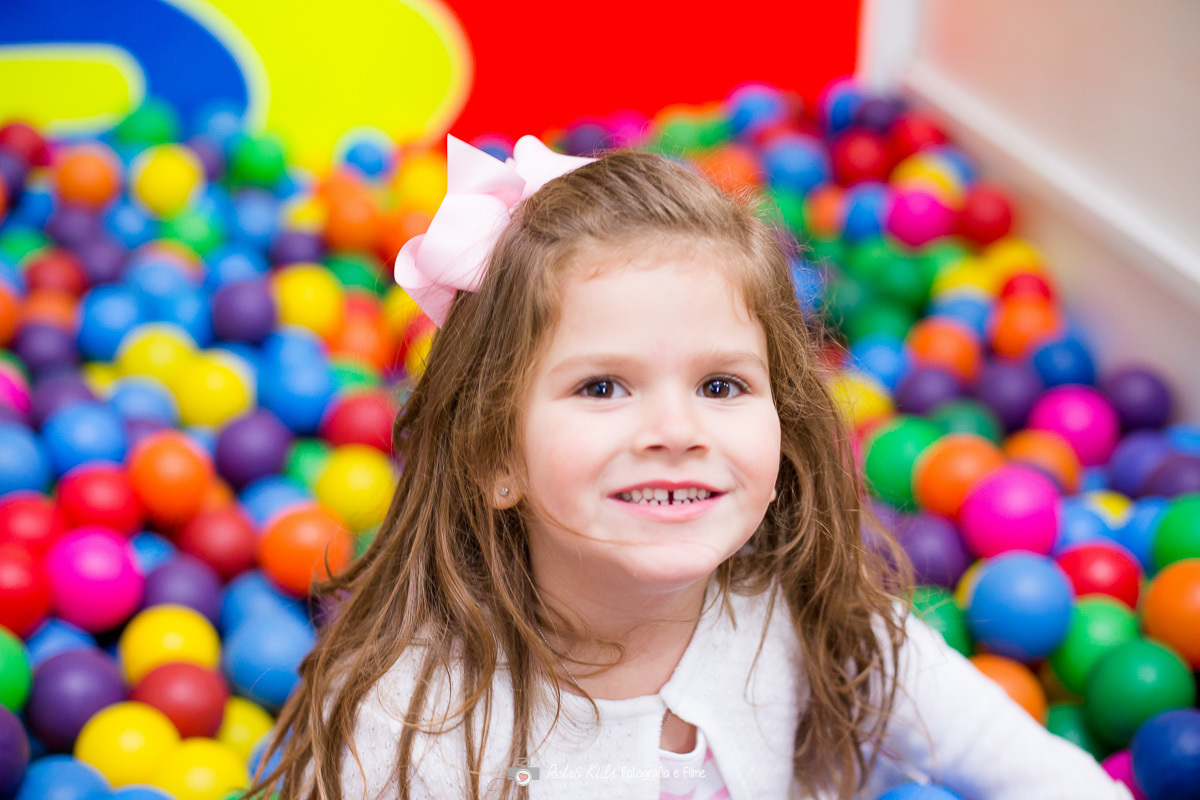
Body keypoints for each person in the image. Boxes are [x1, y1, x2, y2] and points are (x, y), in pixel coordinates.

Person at [244, 135, 1134, 800]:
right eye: (602, 387)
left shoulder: (817, 617)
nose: (675, 429)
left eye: (720, 384)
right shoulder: (414, 714)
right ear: (493, 456)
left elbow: (1040, 774)